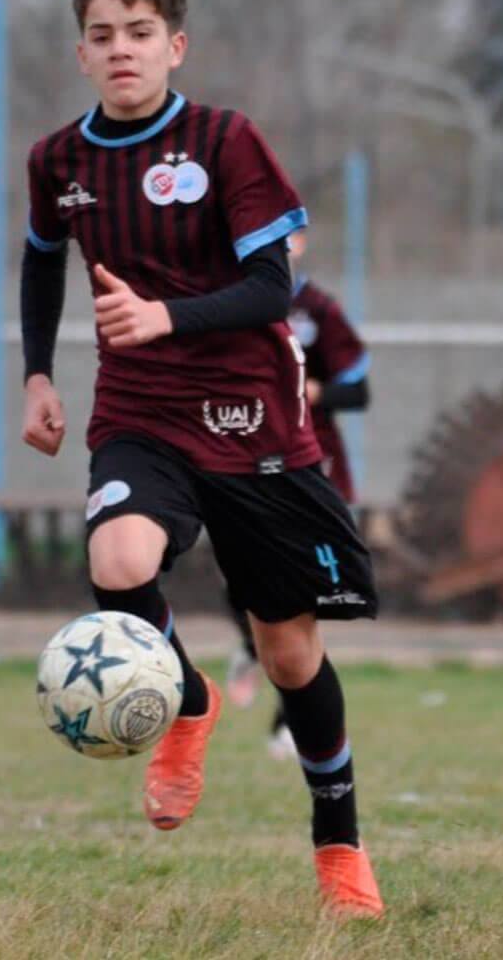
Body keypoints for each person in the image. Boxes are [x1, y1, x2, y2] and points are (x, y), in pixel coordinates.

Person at [18, 0, 382, 917]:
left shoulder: (226, 141)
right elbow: (40, 264)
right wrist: (39, 375)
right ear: (82, 54)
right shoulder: (59, 161)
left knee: (290, 652)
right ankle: (187, 703)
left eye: (139, 32)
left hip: (253, 418)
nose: (121, 50)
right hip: (140, 411)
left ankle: (340, 849)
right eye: (103, 35)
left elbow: (273, 291)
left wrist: (167, 318)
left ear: (174, 47)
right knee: (119, 556)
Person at [227, 230, 371, 761]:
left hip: (313, 468)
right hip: (244, 460)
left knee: (301, 597)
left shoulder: (317, 309)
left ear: (300, 243)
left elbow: (359, 389)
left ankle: (287, 722)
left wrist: (316, 392)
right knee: (244, 581)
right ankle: (247, 646)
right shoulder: (230, 303)